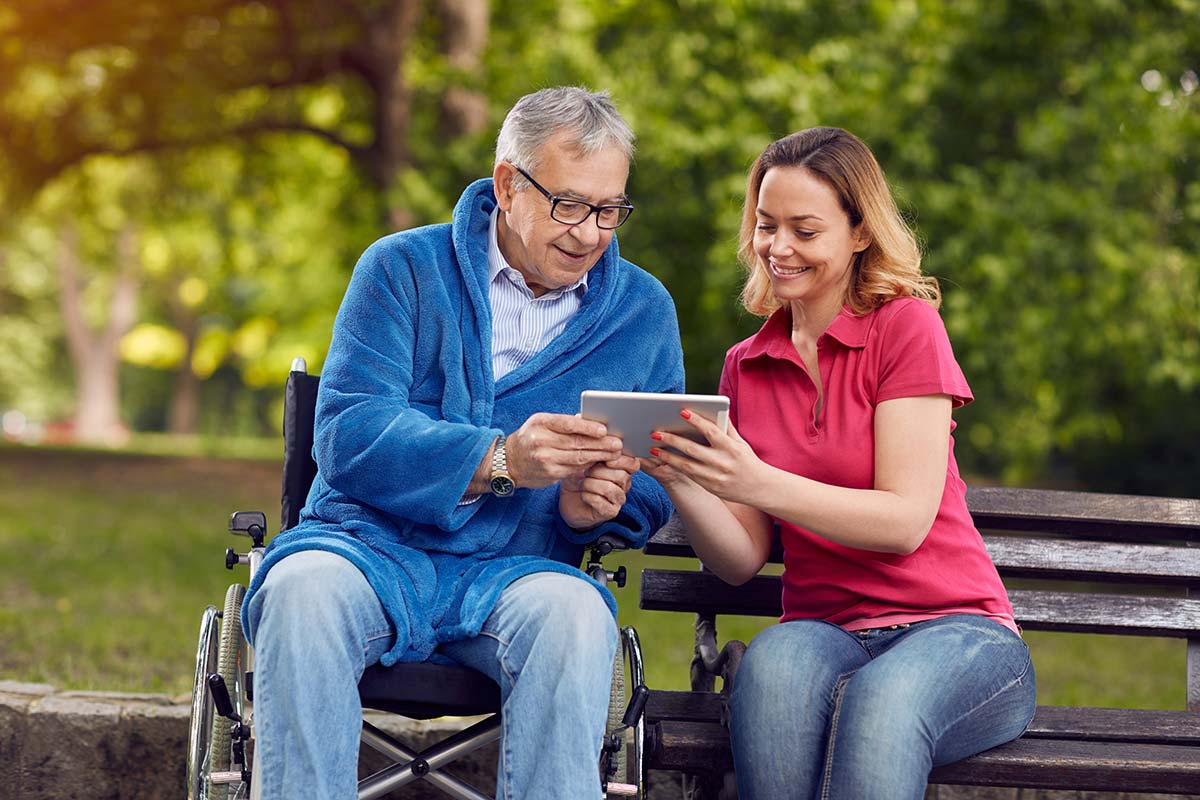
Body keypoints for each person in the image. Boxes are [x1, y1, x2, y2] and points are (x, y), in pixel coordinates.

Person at [242, 86, 685, 800]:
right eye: (569, 205)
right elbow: (349, 431)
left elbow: (658, 471)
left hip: (521, 569)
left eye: (609, 210)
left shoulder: (642, 312)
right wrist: (502, 459)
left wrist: (598, 505)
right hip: (367, 549)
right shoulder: (401, 270)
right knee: (298, 593)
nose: (590, 234)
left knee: (576, 616)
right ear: (509, 184)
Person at [641, 127, 1036, 799]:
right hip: (823, 631)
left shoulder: (905, 327)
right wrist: (679, 474)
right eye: (767, 226)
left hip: (958, 633)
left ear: (859, 234)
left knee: (879, 703)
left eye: (805, 229)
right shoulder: (747, 363)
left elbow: (905, 521)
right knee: (770, 671)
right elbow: (740, 560)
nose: (779, 248)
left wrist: (759, 480)